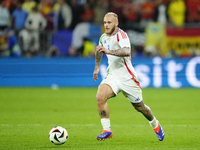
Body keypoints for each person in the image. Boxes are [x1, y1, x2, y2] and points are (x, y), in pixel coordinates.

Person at [93, 12, 165, 141]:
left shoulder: (122, 35)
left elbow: (126, 51)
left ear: (116, 23)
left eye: (109, 22)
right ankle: (107, 130)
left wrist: (108, 51)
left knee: (140, 107)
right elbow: (99, 51)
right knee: (100, 96)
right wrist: (97, 67)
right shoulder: (103, 37)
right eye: (105, 22)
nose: (106, 25)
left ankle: (155, 124)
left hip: (128, 78)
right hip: (113, 76)